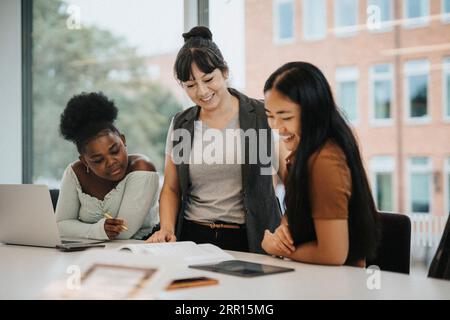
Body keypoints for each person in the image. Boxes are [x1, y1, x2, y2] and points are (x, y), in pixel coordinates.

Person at [147, 26, 281, 253]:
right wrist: (166, 228)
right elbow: (171, 187)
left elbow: (291, 179)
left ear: (225, 72)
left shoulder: (261, 115)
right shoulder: (181, 124)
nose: (201, 91)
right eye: (190, 85)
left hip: (250, 238)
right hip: (193, 236)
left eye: (208, 79)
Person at [261, 62, 380, 266]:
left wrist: (275, 247)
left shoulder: (324, 160)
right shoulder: (303, 152)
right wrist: (283, 232)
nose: (277, 127)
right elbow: (295, 215)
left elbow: (333, 254)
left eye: (285, 117)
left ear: (313, 111)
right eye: (270, 116)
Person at [56, 92, 159, 240]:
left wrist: (79, 229)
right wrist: (97, 230)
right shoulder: (75, 172)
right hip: (87, 252)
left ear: (123, 141)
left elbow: (123, 232)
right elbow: (60, 225)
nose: (111, 162)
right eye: (98, 160)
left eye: (115, 151)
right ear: (84, 161)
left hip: (137, 252)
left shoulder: (142, 168)